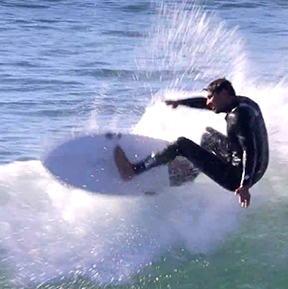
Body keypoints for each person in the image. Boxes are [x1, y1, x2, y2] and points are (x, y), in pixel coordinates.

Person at [114, 78, 268, 207]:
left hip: (236, 176)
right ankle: (185, 175)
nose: (208, 102)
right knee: (209, 137)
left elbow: (250, 151)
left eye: (210, 97)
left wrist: (244, 185)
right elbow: (206, 104)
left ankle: (133, 170)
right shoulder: (244, 103)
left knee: (181, 144)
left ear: (224, 94)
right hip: (259, 168)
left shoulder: (238, 118)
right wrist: (180, 102)